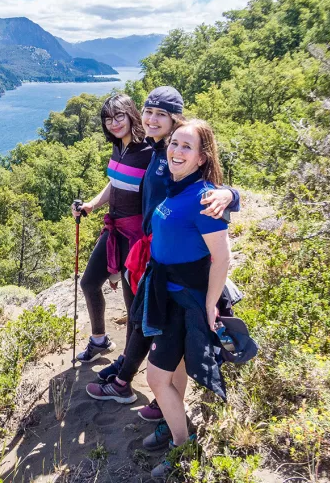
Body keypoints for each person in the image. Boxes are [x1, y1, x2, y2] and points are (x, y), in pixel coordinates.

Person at [84, 87, 239, 409]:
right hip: (153, 247)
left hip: (166, 251)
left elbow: (202, 181)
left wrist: (231, 195)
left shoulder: (173, 149)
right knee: (150, 316)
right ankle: (132, 371)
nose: (152, 119)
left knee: (152, 318)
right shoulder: (155, 151)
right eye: (149, 112)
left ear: (174, 120)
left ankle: (134, 383)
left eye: (161, 115)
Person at [140, 119, 231, 479]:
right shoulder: (177, 187)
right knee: (174, 372)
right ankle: (173, 424)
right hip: (168, 294)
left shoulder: (204, 198)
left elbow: (222, 258)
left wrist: (210, 304)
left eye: (186, 147)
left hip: (186, 300)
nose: (176, 151)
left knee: (156, 379)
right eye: (174, 143)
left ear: (201, 157)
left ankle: (183, 444)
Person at [71, 94, 150, 366]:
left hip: (135, 237)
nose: (114, 123)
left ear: (131, 115)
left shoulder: (148, 152)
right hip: (114, 229)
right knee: (89, 282)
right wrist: (92, 205)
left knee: (132, 303)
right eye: (108, 119)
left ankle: (127, 362)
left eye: (119, 116)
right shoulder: (120, 148)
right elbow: (114, 183)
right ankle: (99, 339)